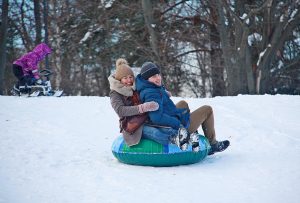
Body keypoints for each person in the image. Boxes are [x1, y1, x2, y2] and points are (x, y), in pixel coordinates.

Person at [136, 62, 230, 154]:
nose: (158, 78)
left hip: (168, 118)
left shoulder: (151, 88)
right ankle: (212, 144)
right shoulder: (151, 93)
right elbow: (156, 118)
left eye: (157, 74)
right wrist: (178, 123)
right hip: (174, 128)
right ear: (146, 79)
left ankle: (194, 131)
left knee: (182, 103)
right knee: (207, 109)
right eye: (153, 77)